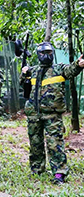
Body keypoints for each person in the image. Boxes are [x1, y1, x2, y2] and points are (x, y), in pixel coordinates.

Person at [20, 42, 84, 183]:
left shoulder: (58, 69)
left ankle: (59, 173)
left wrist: (78, 64)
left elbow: (70, 70)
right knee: (35, 144)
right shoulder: (33, 70)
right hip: (34, 115)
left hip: (52, 115)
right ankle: (37, 169)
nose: (46, 56)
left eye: (49, 53)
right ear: (38, 55)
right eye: (43, 53)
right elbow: (22, 83)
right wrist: (24, 73)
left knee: (55, 144)